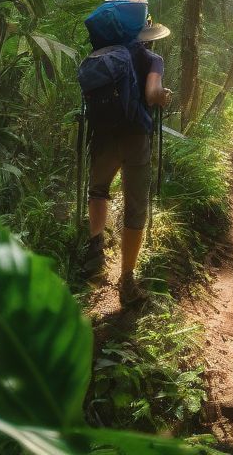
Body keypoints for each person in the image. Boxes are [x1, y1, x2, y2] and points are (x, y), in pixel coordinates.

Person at [85, 16, 171, 305]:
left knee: (98, 190)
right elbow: (151, 94)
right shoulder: (152, 59)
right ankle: (127, 280)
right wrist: (162, 96)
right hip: (135, 137)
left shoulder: (102, 55)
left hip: (102, 135)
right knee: (136, 208)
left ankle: (95, 247)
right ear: (145, 34)